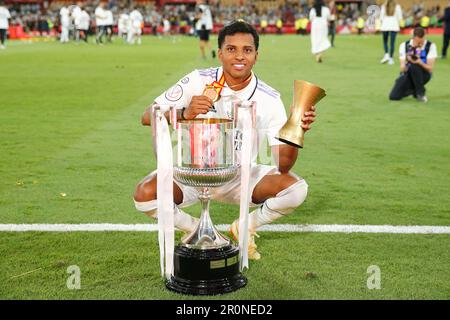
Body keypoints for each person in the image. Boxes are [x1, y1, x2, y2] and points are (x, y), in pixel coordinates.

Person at [134, 21, 316, 261]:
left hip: (238, 177)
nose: (239, 56)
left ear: (256, 55)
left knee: (296, 189)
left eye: (247, 50)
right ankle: (197, 228)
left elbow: (283, 166)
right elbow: (147, 116)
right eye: (231, 49)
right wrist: (182, 113)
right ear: (220, 53)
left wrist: (296, 129)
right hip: (193, 173)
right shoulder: (198, 80)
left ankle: (244, 226)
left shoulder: (269, 98)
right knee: (145, 194)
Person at [389, 27, 437, 103]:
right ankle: (414, 90)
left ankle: (420, 93)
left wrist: (419, 62)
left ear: (425, 36)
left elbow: (430, 69)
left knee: (415, 66)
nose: (420, 44)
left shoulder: (430, 46)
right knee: (394, 96)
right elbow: (402, 69)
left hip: (424, 74)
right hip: (407, 74)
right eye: (418, 42)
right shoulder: (404, 45)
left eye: (422, 41)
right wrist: (407, 61)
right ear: (413, 37)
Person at [380, 0, 403, 65]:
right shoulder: (397, 6)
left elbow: (381, 17)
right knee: (392, 43)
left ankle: (386, 54)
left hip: (385, 25)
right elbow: (400, 17)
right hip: (394, 25)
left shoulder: (384, 6)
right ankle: (391, 58)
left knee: (385, 41)